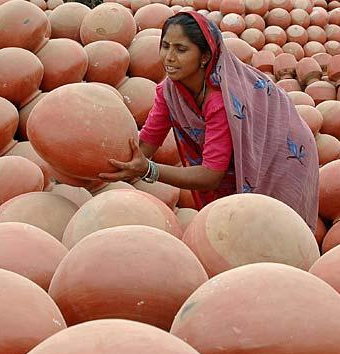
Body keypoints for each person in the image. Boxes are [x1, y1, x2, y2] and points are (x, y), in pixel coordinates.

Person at [98, 11, 319, 231]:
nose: (169, 57)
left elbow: (210, 176)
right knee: (231, 224)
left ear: (204, 56)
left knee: (268, 229)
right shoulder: (170, 91)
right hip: (243, 154)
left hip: (283, 155)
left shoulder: (222, 101)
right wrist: (103, 167)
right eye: (165, 46)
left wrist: (149, 170)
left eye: (181, 49)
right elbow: (146, 144)